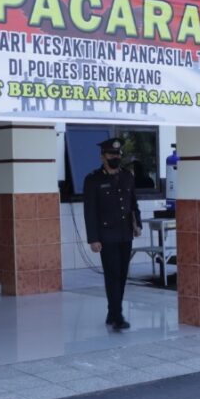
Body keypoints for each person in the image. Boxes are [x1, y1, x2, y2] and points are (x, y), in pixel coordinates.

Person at [83, 138, 142, 331]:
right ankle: (117, 316)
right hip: (106, 235)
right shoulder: (93, 180)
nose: (116, 157)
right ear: (103, 157)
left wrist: (137, 224)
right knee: (112, 275)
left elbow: (133, 203)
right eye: (111, 154)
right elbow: (90, 211)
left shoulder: (127, 176)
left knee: (122, 275)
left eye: (118, 154)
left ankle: (112, 311)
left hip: (125, 233)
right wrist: (93, 238)